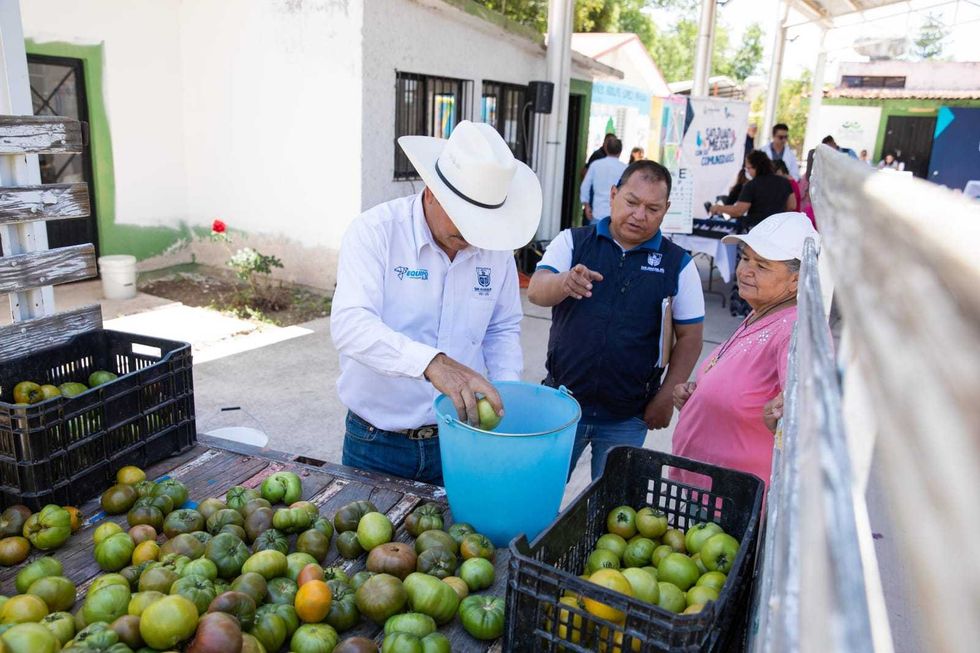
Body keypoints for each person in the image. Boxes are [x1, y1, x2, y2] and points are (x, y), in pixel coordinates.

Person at [330, 121, 542, 485]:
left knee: (450, 541)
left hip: (462, 438)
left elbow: (502, 327)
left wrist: (505, 392)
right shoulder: (375, 232)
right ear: (431, 191)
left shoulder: (495, 249)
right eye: (465, 221)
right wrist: (430, 362)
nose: (475, 237)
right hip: (378, 441)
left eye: (484, 224)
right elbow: (351, 324)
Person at [529, 160, 705, 480]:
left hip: (629, 416)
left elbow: (691, 336)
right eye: (632, 202)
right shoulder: (573, 241)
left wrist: (665, 396)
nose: (640, 215)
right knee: (540, 498)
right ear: (613, 194)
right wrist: (564, 282)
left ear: (666, 209)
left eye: (652, 208)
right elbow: (537, 291)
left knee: (614, 513)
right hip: (562, 406)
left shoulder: (678, 264)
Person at [672, 212, 819, 489]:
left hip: (732, 500)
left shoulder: (796, 328)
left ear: (796, 280)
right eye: (745, 258)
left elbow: (805, 403)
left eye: (762, 266)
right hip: (702, 489)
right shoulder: (761, 312)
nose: (745, 270)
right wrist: (699, 395)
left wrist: (788, 409)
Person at [709, 150, 796, 230]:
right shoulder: (785, 182)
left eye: (748, 168)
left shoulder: (751, 185)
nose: (747, 171)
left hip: (756, 229)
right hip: (778, 229)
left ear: (756, 167)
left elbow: (738, 211)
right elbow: (792, 205)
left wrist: (718, 207)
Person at [580, 137, 627, 224]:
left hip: (598, 212)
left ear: (606, 149)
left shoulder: (595, 165)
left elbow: (585, 186)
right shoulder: (625, 168)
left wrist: (586, 206)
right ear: (620, 151)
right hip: (616, 214)